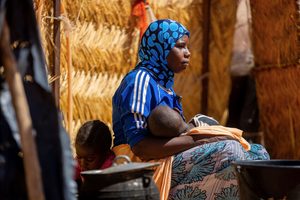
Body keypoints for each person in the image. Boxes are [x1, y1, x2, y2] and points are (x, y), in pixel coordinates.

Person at [112, 19, 269, 200]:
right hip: (141, 168)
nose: (187, 53)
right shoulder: (140, 80)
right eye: (180, 46)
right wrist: (199, 141)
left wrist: (200, 135)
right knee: (229, 151)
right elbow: (140, 148)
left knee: (257, 154)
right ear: (161, 47)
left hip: (166, 159)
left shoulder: (165, 86)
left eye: (186, 47)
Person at [74, 120, 115, 187]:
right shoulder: (78, 163)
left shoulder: (111, 171)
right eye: (78, 157)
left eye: (90, 159)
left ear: (106, 154)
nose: (82, 163)